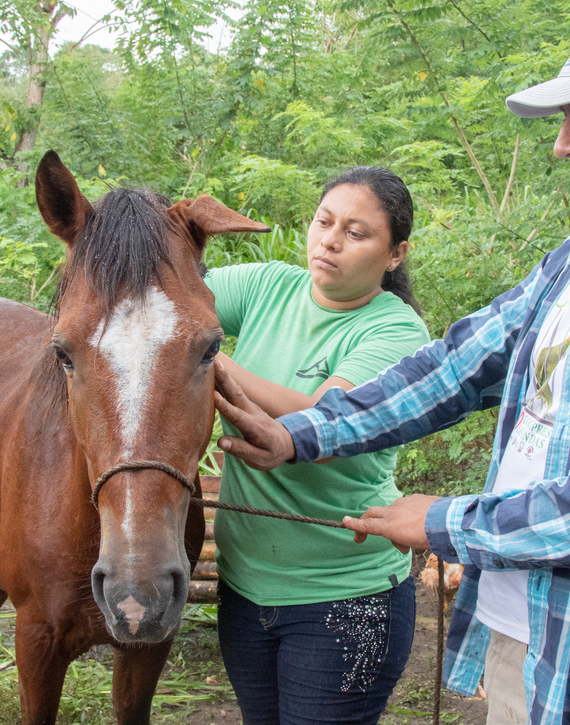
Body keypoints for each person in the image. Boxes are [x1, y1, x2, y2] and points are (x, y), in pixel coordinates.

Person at [213, 8, 570, 725]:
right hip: (529, 633)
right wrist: (302, 433)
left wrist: (442, 521)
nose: (563, 144)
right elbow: (455, 367)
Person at [204, 166, 431, 725]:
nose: (329, 240)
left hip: (346, 597)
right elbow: (168, 299)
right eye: (324, 222)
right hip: (244, 586)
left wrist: (209, 357)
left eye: (357, 233)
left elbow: (330, 424)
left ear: (395, 253)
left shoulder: (396, 331)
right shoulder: (266, 287)